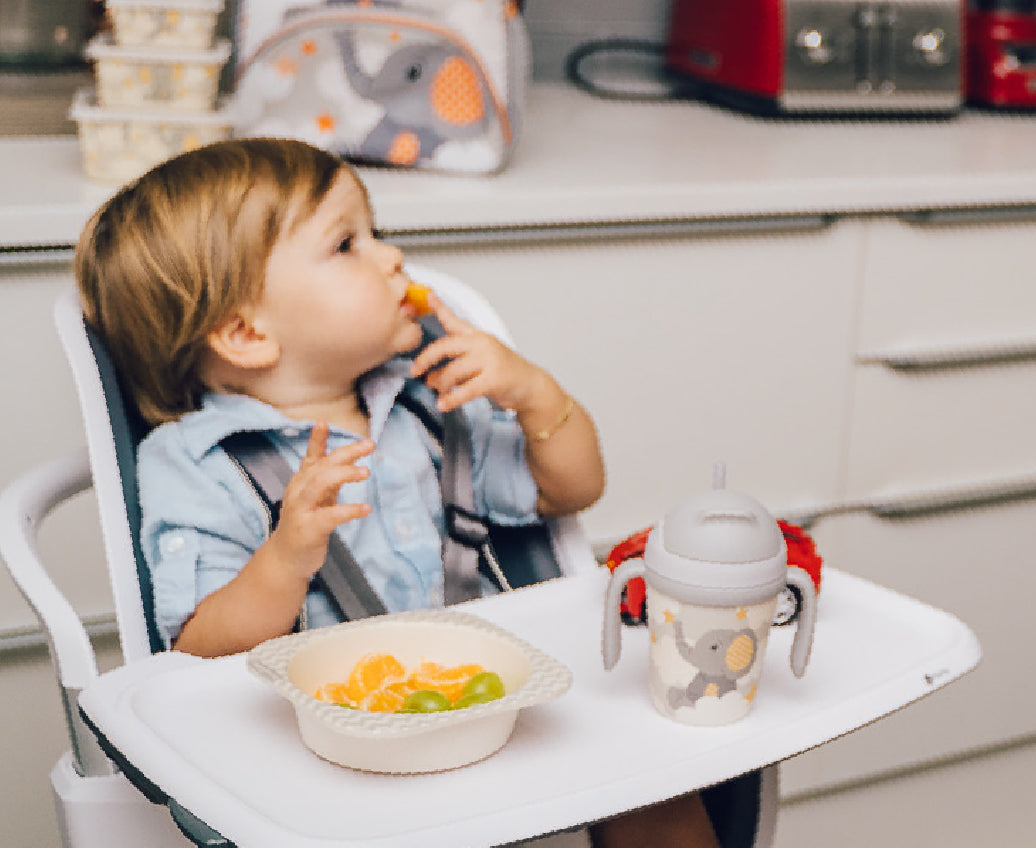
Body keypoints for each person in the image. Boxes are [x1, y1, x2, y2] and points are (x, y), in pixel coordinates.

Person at [74, 137, 720, 848]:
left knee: (656, 786)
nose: (392, 257)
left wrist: (535, 395)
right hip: (328, 754)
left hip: (490, 704)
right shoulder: (198, 463)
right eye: (348, 243)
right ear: (245, 332)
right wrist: (286, 556)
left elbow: (571, 489)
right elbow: (198, 651)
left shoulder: (426, 400)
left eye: (376, 232)